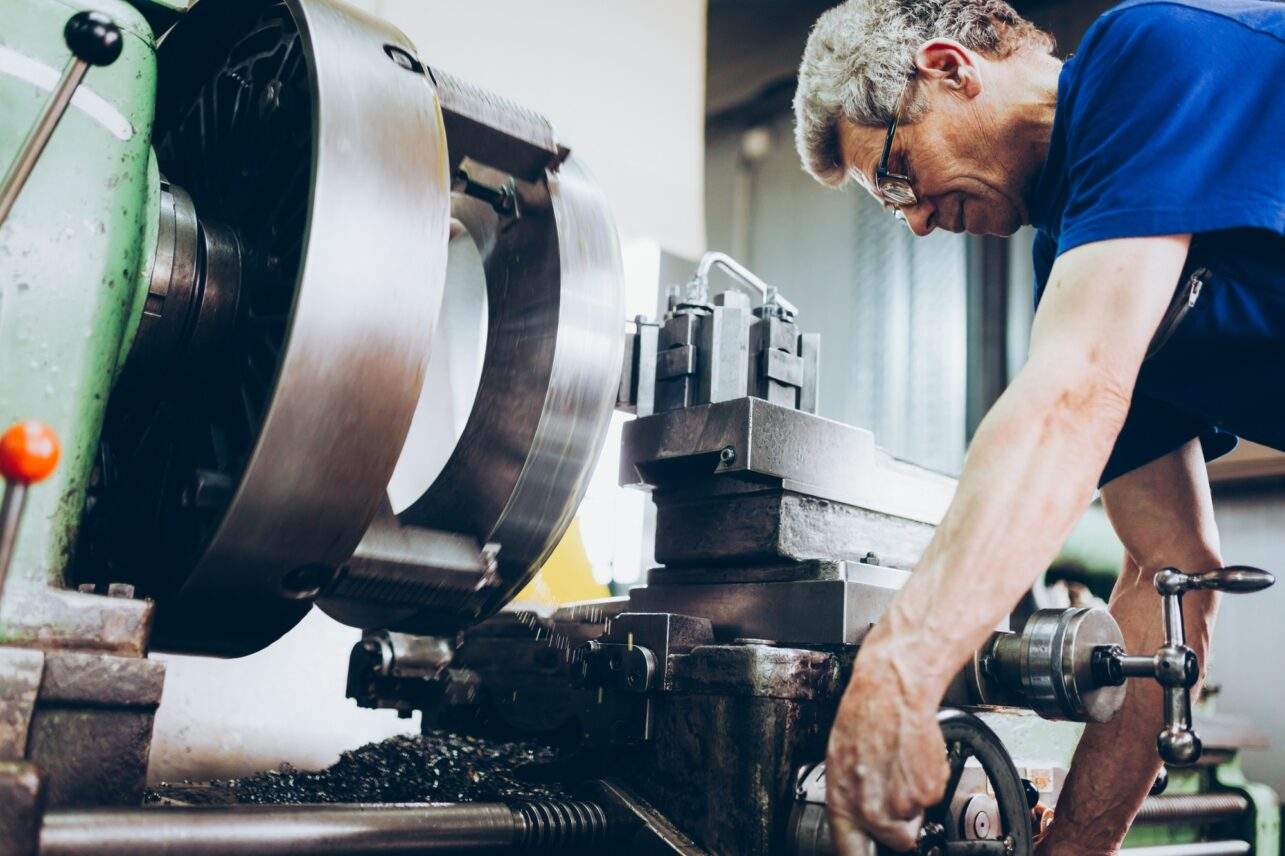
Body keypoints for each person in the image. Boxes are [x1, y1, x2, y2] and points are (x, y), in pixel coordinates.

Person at [790, 0, 1285, 853]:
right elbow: (1169, 579)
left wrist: (902, 666)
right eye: (888, 207)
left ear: (947, 68)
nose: (911, 221)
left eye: (898, 175)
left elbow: (1071, 395)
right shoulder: (1077, 254)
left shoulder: (1143, 54)